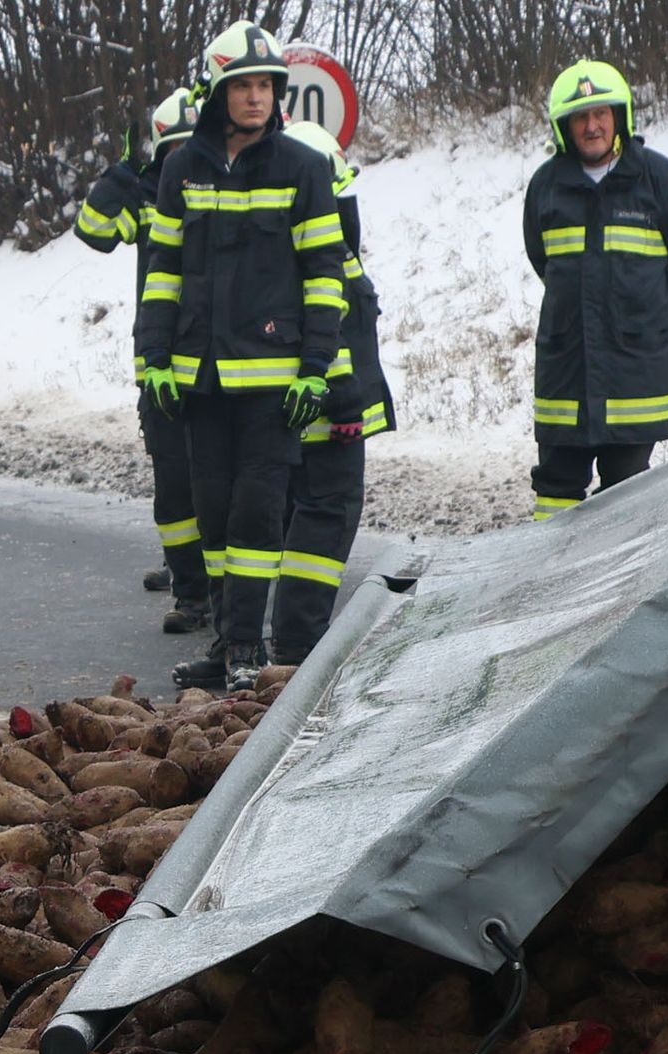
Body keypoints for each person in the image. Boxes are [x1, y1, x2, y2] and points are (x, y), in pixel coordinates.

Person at [136, 24, 346, 691]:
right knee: (214, 516)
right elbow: (162, 271)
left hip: (274, 382)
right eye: (243, 86)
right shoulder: (181, 169)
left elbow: (324, 275)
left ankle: (250, 650)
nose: (256, 98)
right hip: (199, 379)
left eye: (266, 86)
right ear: (218, 93)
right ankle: (227, 645)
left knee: (257, 515)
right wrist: (155, 361)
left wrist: (316, 367)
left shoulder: (303, 169)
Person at [520, 60, 668, 515]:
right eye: (581, 117)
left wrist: (650, 304)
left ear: (619, 117)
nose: (592, 125)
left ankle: (618, 587)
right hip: (567, 369)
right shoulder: (546, 185)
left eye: (601, 113)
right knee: (555, 490)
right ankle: (548, 582)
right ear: (565, 127)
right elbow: (542, 259)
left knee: (626, 497)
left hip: (633, 374)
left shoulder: (656, 177)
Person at [73, 87, 202, 623]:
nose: (183, 161)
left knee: (219, 482)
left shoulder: (231, 189)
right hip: (159, 362)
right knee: (173, 482)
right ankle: (190, 586)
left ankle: (217, 586)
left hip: (219, 359)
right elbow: (94, 230)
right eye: (171, 151)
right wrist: (125, 172)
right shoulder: (146, 195)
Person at [268, 115, 386, 668]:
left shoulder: (286, 239)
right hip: (326, 410)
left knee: (303, 516)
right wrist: (344, 397)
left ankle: (291, 638)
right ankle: (298, 645)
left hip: (306, 405)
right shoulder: (318, 247)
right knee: (325, 514)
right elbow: (328, 322)